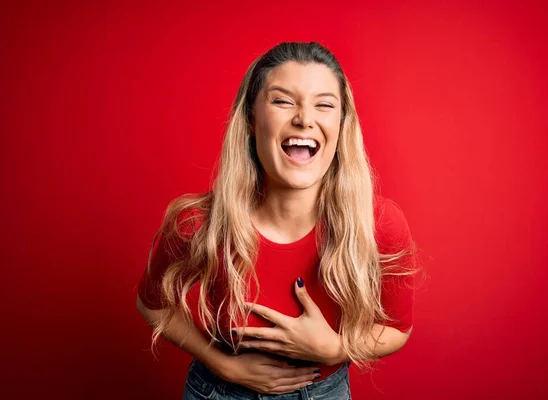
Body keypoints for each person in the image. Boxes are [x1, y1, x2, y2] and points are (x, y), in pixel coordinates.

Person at [136, 41, 420, 400]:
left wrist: (337, 349)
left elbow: (396, 327)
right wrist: (223, 365)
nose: (304, 118)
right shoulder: (197, 223)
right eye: (283, 101)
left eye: (324, 105)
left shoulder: (379, 222)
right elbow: (151, 302)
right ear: (251, 120)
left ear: (342, 124)